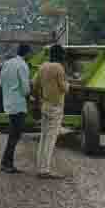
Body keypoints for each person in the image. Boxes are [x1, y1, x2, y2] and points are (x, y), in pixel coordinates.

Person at [32, 44, 69, 179]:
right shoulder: (59, 68)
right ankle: (45, 170)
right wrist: (69, 83)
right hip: (56, 107)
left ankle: (40, 167)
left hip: (45, 105)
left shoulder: (42, 67)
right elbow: (64, 88)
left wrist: (39, 98)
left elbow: (34, 84)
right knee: (51, 139)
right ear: (60, 56)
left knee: (43, 137)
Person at [0, 44, 32, 174]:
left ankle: (7, 163)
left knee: (13, 134)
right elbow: (25, 89)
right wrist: (31, 94)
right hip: (18, 105)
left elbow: (1, 83)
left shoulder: (7, 64)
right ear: (27, 53)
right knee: (14, 135)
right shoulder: (23, 66)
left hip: (8, 103)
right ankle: (6, 164)